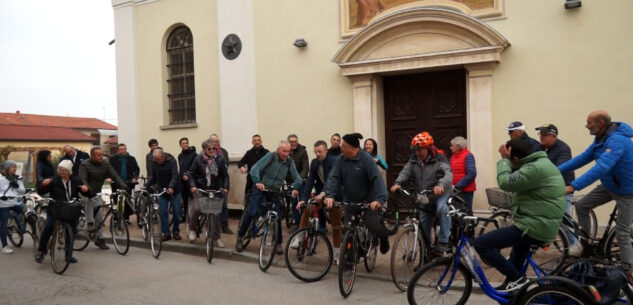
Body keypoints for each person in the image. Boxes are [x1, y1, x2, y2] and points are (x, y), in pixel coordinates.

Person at [474, 138, 566, 292]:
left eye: (511, 161)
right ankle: (513, 289)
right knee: (516, 257)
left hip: (534, 226)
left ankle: (517, 280)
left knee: (481, 243)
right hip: (536, 223)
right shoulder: (538, 163)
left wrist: (503, 160)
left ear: (515, 158)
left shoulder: (534, 168)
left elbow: (506, 182)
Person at [559, 111, 633, 270]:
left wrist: (573, 186)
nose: (586, 125)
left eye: (589, 122)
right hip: (610, 186)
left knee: (622, 234)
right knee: (581, 205)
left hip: (627, 192)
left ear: (600, 123)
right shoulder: (601, 138)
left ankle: (627, 271)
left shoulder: (617, 140)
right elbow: (583, 158)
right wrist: (556, 170)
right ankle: (586, 245)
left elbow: (602, 167)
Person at [320, 133, 391, 254]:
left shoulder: (367, 159)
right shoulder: (340, 160)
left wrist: (379, 199)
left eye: (344, 146)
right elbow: (334, 178)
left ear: (354, 148)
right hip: (351, 200)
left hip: (369, 201)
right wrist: (330, 195)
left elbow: (377, 180)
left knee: (372, 225)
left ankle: (384, 237)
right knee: (348, 230)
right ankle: (349, 259)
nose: (341, 147)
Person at [390, 132, 453, 254]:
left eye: (420, 149)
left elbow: (448, 174)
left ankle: (444, 241)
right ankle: (427, 251)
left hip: (441, 192)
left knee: (443, 209)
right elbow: (406, 171)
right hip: (425, 194)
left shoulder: (440, 158)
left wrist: (440, 185)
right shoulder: (414, 159)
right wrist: (398, 183)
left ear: (429, 148)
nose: (418, 152)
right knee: (423, 220)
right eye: (416, 150)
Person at [236, 141, 301, 255]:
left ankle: (278, 243)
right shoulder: (270, 157)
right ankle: (240, 237)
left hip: (274, 191)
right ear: (278, 150)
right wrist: (257, 182)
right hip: (261, 188)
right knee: (252, 212)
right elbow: (255, 169)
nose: (286, 154)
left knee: (277, 217)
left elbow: (298, 178)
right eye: (284, 151)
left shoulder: (289, 162)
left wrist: (295, 188)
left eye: (288, 151)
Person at [293, 140, 343, 261]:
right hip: (320, 194)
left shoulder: (334, 161)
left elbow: (331, 178)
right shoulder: (314, 162)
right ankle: (300, 236)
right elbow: (310, 181)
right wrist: (303, 199)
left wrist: (324, 193)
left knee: (336, 226)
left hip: (334, 195)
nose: (317, 154)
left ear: (326, 150)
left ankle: (337, 253)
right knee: (308, 208)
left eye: (319, 151)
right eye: (315, 152)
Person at [535, 124, 578, 252]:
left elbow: (557, 169)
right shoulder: (541, 148)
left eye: (544, 135)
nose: (541, 138)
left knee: (562, 219)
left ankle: (574, 246)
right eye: (540, 135)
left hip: (563, 188)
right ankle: (544, 242)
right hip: (547, 189)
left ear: (553, 136)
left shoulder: (563, 149)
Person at [35, 160, 89, 263]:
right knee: (48, 227)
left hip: (71, 209)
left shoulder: (76, 180)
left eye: (63, 170)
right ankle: (41, 251)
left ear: (69, 171)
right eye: (59, 170)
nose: (61, 172)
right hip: (57, 209)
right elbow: (41, 192)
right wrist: (43, 185)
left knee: (71, 232)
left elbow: (86, 193)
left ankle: (68, 255)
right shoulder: (54, 180)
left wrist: (86, 189)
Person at [79, 147, 128, 250]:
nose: (101, 157)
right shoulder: (85, 164)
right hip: (85, 191)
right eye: (98, 155)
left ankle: (99, 239)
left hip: (97, 191)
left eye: (102, 155)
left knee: (99, 216)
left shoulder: (105, 163)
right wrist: (87, 190)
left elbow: (115, 176)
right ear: (92, 156)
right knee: (89, 201)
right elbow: (83, 179)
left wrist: (124, 187)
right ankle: (89, 223)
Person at [186, 139, 229, 247]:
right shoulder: (198, 159)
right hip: (201, 189)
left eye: (213, 148)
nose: (212, 150)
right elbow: (191, 174)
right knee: (197, 208)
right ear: (204, 149)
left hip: (214, 189)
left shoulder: (219, 160)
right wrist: (193, 186)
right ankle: (192, 229)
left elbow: (225, 175)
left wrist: (225, 187)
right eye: (209, 149)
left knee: (215, 214)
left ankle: (217, 237)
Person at [145, 148, 182, 241]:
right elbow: (153, 176)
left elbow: (174, 176)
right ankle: (166, 233)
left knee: (177, 213)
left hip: (174, 190)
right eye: (156, 160)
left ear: (163, 156)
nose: (157, 161)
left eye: (159, 159)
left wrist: (171, 187)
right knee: (162, 213)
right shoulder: (154, 163)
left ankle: (176, 231)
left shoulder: (172, 161)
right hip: (162, 191)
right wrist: (147, 185)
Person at [109, 143, 140, 221]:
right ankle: (116, 219)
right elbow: (108, 169)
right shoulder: (113, 159)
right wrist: (109, 178)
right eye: (121, 149)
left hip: (128, 183)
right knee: (116, 200)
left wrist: (135, 178)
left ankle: (126, 218)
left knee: (127, 200)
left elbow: (136, 169)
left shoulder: (131, 159)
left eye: (124, 149)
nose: (123, 151)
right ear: (118, 150)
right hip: (116, 183)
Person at [237, 134, 269, 208]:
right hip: (251, 181)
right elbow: (240, 162)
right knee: (247, 201)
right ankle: (244, 213)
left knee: (263, 202)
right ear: (252, 142)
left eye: (258, 140)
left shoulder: (266, 152)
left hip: (263, 181)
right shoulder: (249, 153)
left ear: (261, 141)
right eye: (255, 140)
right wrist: (242, 167)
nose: (257, 142)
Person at [0, 161, 25, 254]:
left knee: (26, 211)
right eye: (12, 167)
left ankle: (23, 228)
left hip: (15, 202)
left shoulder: (18, 178)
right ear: (6, 168)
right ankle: (5, 246)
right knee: (3, 225)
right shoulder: (0, 178)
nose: (15, 169)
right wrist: (1, 196)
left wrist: (17, 185)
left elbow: (22, 191)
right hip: (3, 204)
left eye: (15, 167)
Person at [209, 134, 231, 234]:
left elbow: (226, 166)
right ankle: (214, 228)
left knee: (224, 206)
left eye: (218, 141)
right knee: (214, 207)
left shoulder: (223, 152)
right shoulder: (205, 152)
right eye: (215, 141)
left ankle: (224, 226)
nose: (217, 143)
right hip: (211, 184)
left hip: (222, 182)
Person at [449, 136, 476, 215]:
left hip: (465, 190)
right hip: (455, 189)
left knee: (466, 211)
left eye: (452, 145)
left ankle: (470, 226)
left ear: (458, 146)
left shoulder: (468, 156)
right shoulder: (453, 157)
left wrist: (459, 185)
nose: (450, 148)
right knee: (456, 211)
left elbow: (472, 173)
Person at [287, 134, 309, 231]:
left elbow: (305, 167)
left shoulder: (303, 152)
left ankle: (303, 223)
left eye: (295, 141)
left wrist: (299, 180)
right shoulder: (286, 152)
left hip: (301, 181)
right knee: (294, 202)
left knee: (302, 202)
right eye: (291, 142)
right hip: (290, 181)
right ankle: (296, 223)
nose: (293, 143)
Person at [178, 137, 197, 223]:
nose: (185, 145)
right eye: (183, 143)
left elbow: (195, 168)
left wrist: (188, 175)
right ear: (180, 145)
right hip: (183, 181)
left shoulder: (194, 154)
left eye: (186, 143)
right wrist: (182, 175)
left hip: (192, 181)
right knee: (185, 200)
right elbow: (181, 168)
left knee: (193, 200)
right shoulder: (180, 156)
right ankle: (185, 216)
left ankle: (195, 219)